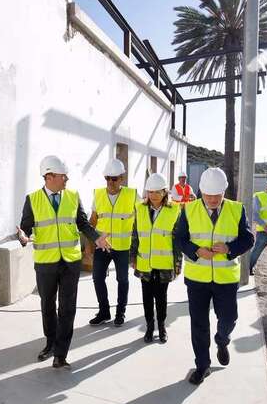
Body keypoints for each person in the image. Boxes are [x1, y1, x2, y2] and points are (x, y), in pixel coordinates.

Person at [18, 155, 110, 369]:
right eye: (63, 176)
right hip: (46, 263)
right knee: (47, 305)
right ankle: (50, 342)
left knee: (68, 308)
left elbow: (83, 223)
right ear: (49, 176)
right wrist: (22, 237)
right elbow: (25, 228)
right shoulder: (33, 199)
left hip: (70, 262)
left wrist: (96, 237)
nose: (66, 179)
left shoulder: (73, 196)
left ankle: (61, 354)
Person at [175, 167, 254, 385]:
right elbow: (179, 238)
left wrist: (229, 248)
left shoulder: (236, 209)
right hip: (197, 279)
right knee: (199, 324)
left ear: (224, 192)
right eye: (208, 195)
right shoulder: (189, 209)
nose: (212, 199)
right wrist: (196, 251)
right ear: (201, 191)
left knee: (229, 318)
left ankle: (222, 339)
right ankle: (202, 366)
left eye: (216, 195)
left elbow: (248, 239)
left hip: (226, 278)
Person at [130, 173, 182, 343]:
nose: (153, 196)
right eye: (150, 192)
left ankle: (161, 326)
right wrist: (132, 256)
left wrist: (177, 263)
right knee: (146, 297)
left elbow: (177, 240)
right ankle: (149, 327)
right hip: (144, 262)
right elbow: (135, 235)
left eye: (157, 192)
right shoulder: (140, 208)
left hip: (164, 263)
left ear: (164, 192)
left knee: (161, 297)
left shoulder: (174, 210)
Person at [88, 158, 137, 326]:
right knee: (97, 278)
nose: (110, 182)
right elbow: (93, 220)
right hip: (102, 247)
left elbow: (143, 219)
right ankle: (104, 312)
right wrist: (90, 245)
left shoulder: (132, 195)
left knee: (122, 280)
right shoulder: (98, 194)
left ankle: (120, 313)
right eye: (107, 178)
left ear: (122, 178)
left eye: (114, 178)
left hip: (122, 247)